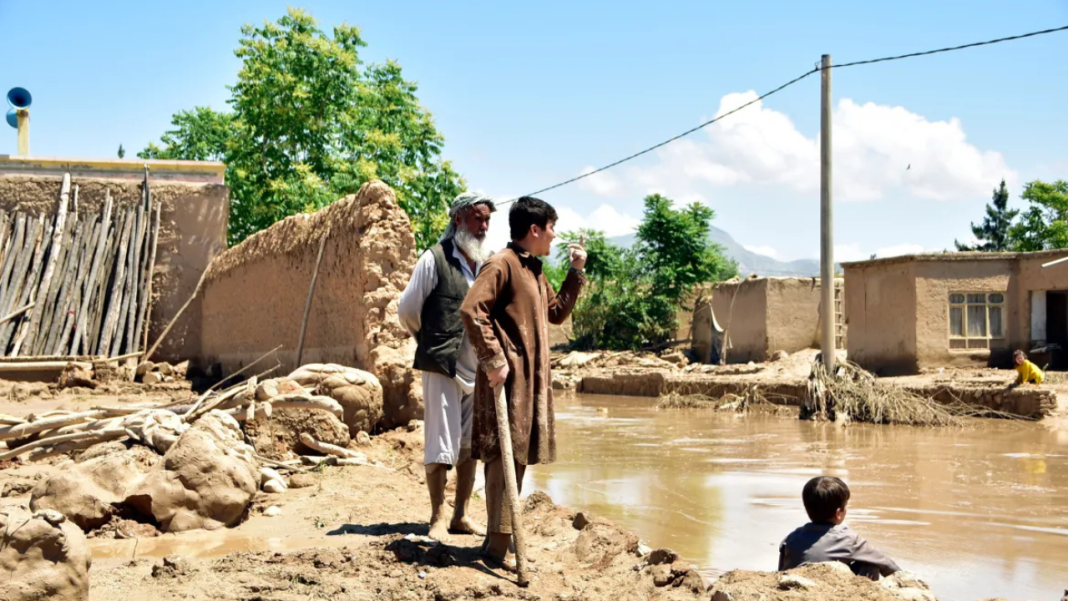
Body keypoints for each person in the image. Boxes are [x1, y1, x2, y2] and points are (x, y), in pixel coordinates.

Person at [460, 196, 587, 571]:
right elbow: (471, 310)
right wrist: (494, 360)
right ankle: (498, 548)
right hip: (507, 381)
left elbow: (556, 313)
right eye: (551, 228)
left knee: (516, 455)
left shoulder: (533, 268)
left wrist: (576, 271)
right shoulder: (501, 264)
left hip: (529, 383)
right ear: (534, 229)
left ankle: (498, 542)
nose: (554, 235)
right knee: (505, 457)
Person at [397, 190, 496, 542]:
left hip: (478, 369)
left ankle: (461, 515)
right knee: (440, 442)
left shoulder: (486, 263)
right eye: (478, 218)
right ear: (458, 220)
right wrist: (429, 341)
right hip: (442, 364)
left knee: (469, 442)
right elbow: (407, 309)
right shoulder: (434, 259)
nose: (484, 226)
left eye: (487, 220)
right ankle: (437, 516)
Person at [778, 476, 901, 581]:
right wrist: (907, 580)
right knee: (870, 564)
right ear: (838, 513)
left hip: (799, 587)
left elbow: (780, 572)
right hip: (831, 590)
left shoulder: (790, 538)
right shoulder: (848, 539)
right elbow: (885, 563)